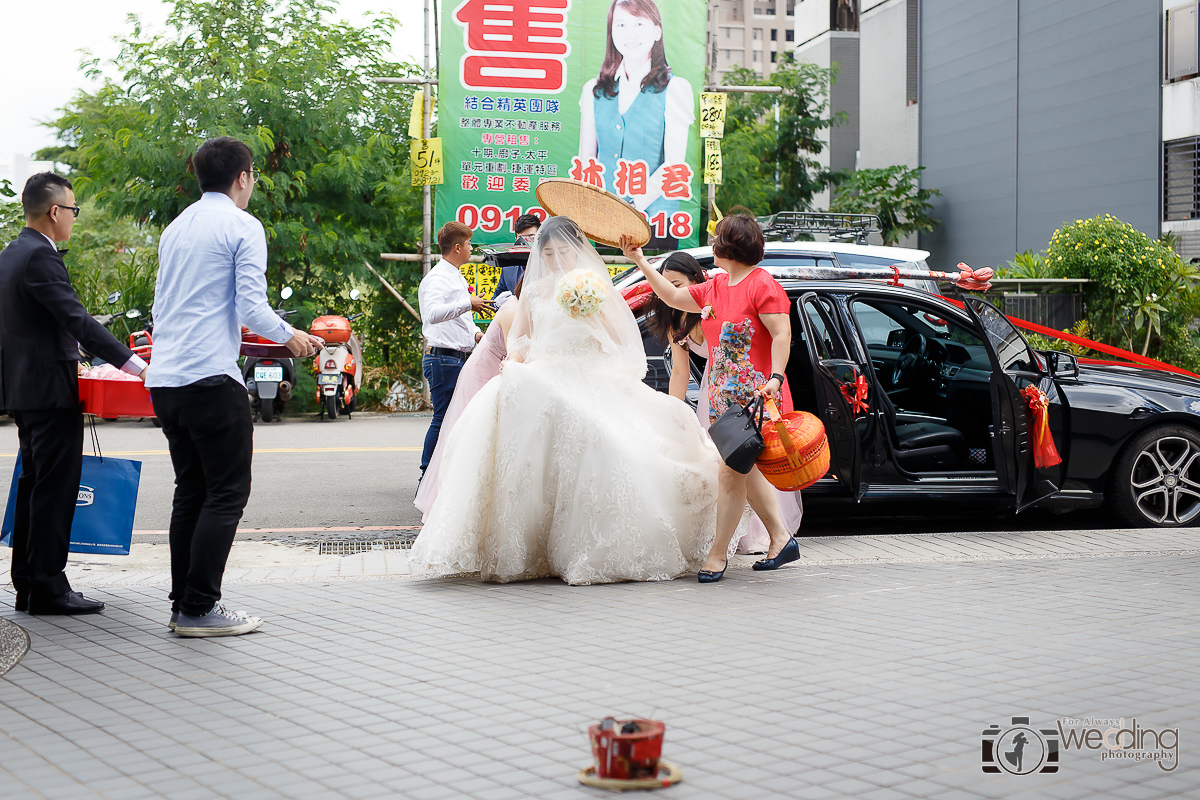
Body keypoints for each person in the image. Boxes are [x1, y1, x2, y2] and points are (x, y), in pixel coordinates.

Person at [411, 216, 722, 585]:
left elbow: (619, 340)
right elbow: (521, 339)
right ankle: (527, 545)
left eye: (563, 251)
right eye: (549, 252)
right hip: (548, 371)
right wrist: (514, 359)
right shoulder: (535, 291)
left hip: (591, 373)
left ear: (577, 251)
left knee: (608, 444)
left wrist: (591, 316)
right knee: (515, 408)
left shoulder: (596, 287)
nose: (557, 259)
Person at [148, 137, 324, 637]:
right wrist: (291, 336)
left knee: (192, 491)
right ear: (243, 177)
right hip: (209, 377)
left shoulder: (176, 228)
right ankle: (200, 608)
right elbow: (251, 307)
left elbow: (165, 307)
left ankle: (184, 603)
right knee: (226, 493)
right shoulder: (242, 226)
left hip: (166, 380)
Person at [621, 214, 800, 583]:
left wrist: (776, 377)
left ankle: (717, 555)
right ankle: (781, 539)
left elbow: (782, 334)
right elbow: (671, 295)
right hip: (724, 401)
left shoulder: (762, 285)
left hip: (757, 397)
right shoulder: (716, 285)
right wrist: (640, 261)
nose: (713, 244)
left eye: (718, 239)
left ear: (729, 247)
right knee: (743, 471)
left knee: (730, 472)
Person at [0, 173, 146, 615]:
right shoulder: (40, 259)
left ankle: (28, 581)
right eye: (74, 211)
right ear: (55, 211)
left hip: (23, 388)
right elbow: (76, 320)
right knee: (56, 488)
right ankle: (47, 588)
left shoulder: (10, 253)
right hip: (47, 391)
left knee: (33, 484)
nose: (74, 220)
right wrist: (136, 365)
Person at [414, 281, 522, 521]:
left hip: (490, 369)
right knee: (462, 433)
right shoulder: (512, 310)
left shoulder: (517, 309)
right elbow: (517, 350)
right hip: (481, 373)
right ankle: (440, 490)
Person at [578, 0, 694, 219]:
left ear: (657, 31)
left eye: (639, 24)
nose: (629, 34)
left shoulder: (675, 88)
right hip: (601, 217)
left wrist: (631, 206)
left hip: (656, 218)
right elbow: (587, 160)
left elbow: (674, 164)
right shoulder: (594, 89)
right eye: (620, 25)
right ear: (611, 33)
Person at [419, 222, 490, 480]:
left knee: (453, 418)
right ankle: (426, 476)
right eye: (469, 244)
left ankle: (442, 474)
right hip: (442, 358)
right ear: (458, 247)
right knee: (443, 418)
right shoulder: (438, 277)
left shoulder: (455, 274)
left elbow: (460, 319)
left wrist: (476, 334)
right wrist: (467, 302)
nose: (471, 249)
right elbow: (432, 314)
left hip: (455, 357)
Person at [491, 213, 540, 302]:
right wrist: (498, 304)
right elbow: (495, 299)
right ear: (516, 240)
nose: (526, 242)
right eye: (521, 238)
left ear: (539, 237)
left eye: (531, 237)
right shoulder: (508, 268)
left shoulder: (550, 264)